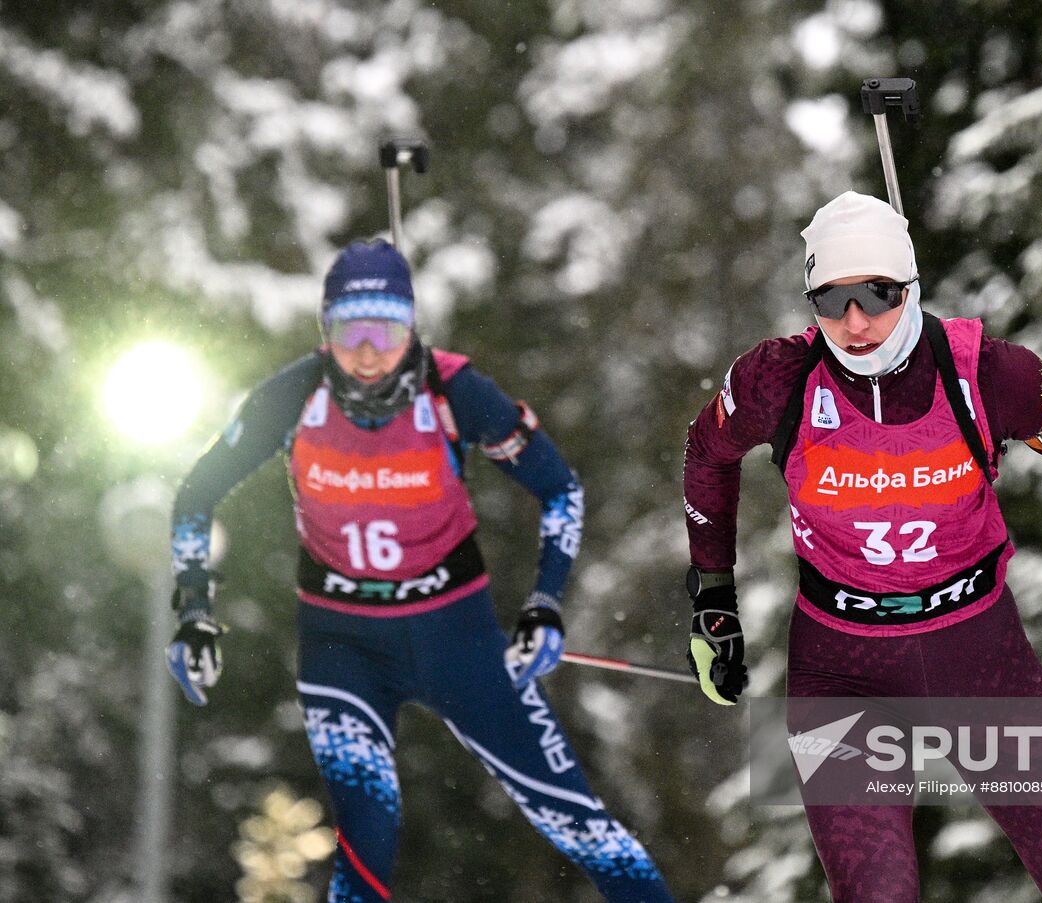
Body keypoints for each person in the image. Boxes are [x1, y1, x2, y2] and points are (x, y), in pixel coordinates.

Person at [166, 239, 675, 903]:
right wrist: (195, 610)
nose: (370, 352)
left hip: (457, 637)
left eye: (388, 329)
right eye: (351, 331)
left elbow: (559, 489)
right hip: (342, 644)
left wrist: (545, 603)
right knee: (366, 835)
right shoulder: (294, 396)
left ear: (412, 328)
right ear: (326, 333)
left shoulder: (455, 390)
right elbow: (196, 493)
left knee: (578, 820)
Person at [682, 192, 1042, 902]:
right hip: (842, 668)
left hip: (980, 659)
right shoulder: (777, 381)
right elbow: (704, 451)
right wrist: (713, 597)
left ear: (910, 286)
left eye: (879, 293)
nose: (856, 321)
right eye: (831, 299)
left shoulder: (992, 376)